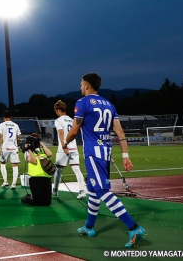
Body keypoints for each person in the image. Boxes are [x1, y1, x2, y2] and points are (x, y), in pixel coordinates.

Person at [65, 73, 146, 248]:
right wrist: (125, 156)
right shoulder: (109, 104)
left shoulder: (82, 102)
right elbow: (120, 132)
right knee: (93, 190)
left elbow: (74, 131)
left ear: (87, 86)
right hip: (106, 153)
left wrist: (65, 143)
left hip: (93, 154)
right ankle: (89, 227)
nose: (80, 87)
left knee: (102, 191)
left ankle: (134, 228)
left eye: (81, 84)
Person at [53, 100, 87, 199]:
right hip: (74, 147)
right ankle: (82, 191)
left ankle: (55, 190)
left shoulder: (58, 120)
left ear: (59, 110)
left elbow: (61, 133)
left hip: (64, 148)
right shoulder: (72, 120)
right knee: (77, 169)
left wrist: (64, 146)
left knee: (58, 170)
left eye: (56, 111)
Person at [20, 133, 53, 206]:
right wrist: (29, 150)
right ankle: (26, 199)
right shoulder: (27, 152)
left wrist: (42, 144)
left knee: (47, 203)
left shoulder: (41, 149)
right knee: (37, 202)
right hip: (35, 178)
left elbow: (50, 154)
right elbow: (33, 161)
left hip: (46, 177)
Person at [0, 110, 21, 189]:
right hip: (14, 148)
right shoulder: (16, 125)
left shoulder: (1, 125)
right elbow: (18, 137)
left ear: (3, 117)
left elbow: (0, 136)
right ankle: (13, 184)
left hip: (5, 147)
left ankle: (5, 182)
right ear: (11, 117)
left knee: (2, 163)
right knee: (15, 165)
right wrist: (16, 144)